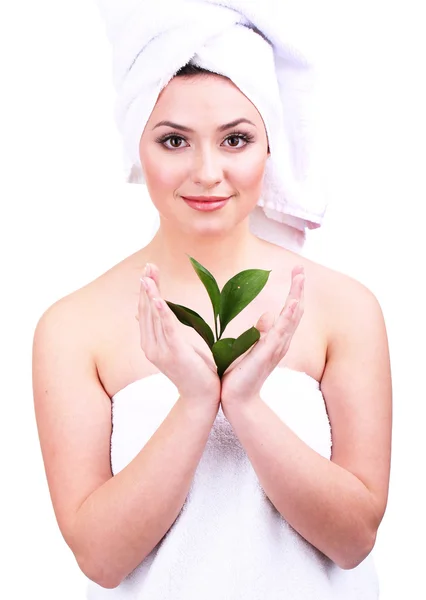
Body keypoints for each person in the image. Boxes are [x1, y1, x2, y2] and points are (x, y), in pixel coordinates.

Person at [32, 5, 392, 599]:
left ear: (269, 146)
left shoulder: (343, 308)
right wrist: (197, 402)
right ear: (136, 146)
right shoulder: (73, 329)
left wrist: (245, 403)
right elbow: (100, 558)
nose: (207, 172)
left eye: (236, 139)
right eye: (174, 140)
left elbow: (354, 540)